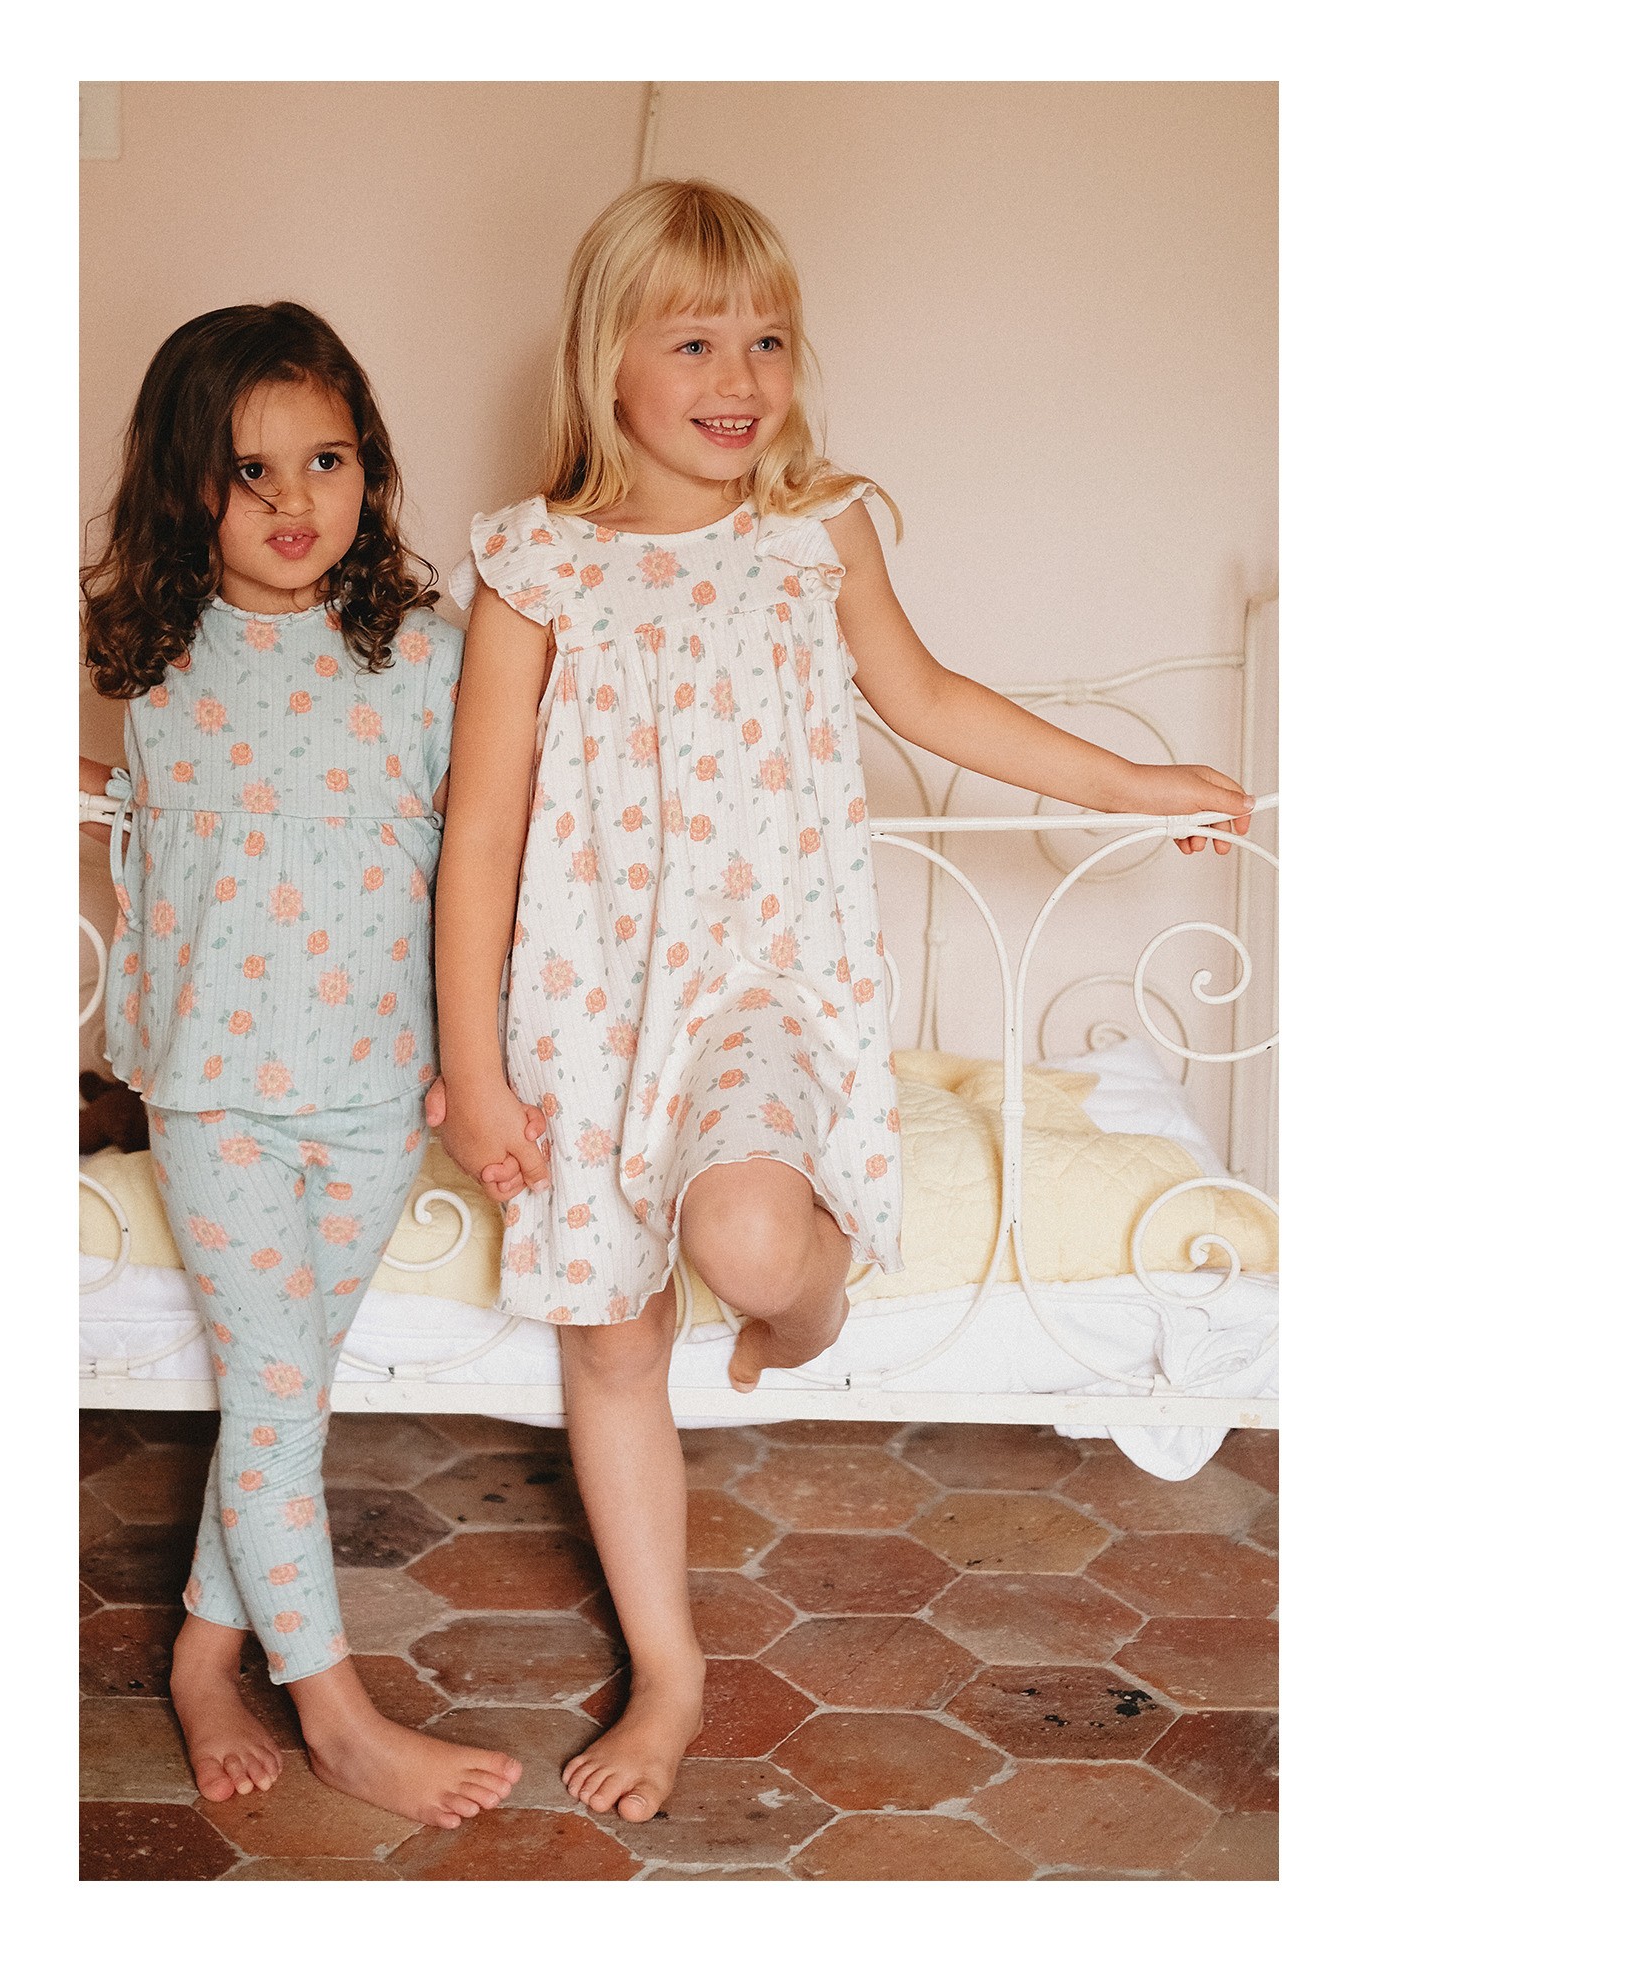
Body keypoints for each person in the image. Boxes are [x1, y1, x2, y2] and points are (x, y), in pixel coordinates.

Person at [430, 180, 1253, 1825]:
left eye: (767, 339)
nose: (739, 376)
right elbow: (481, 833)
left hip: (762, 980)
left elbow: (932, 697)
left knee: (747, 1241)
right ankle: (669, 1668)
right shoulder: (534, 564)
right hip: (588, 995)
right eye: (693, 342)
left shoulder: (817, 532)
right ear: (605, 360)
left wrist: (1128, 782)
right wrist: (474, 1066)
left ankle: (802, 1313)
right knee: (612, 1335)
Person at [81, 301, 521, 1827]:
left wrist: (481, 1057)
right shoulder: (157, 658)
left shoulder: (429, 656)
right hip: (213, 1088)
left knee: (284, 1392)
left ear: (368, 465)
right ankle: (336, 1712)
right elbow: (146, 799)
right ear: (184, 486)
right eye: (249, 470)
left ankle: (202, 1656)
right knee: (276, 1387)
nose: (292, 501)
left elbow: (487, 866)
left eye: (324, 460)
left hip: (377, 1086)